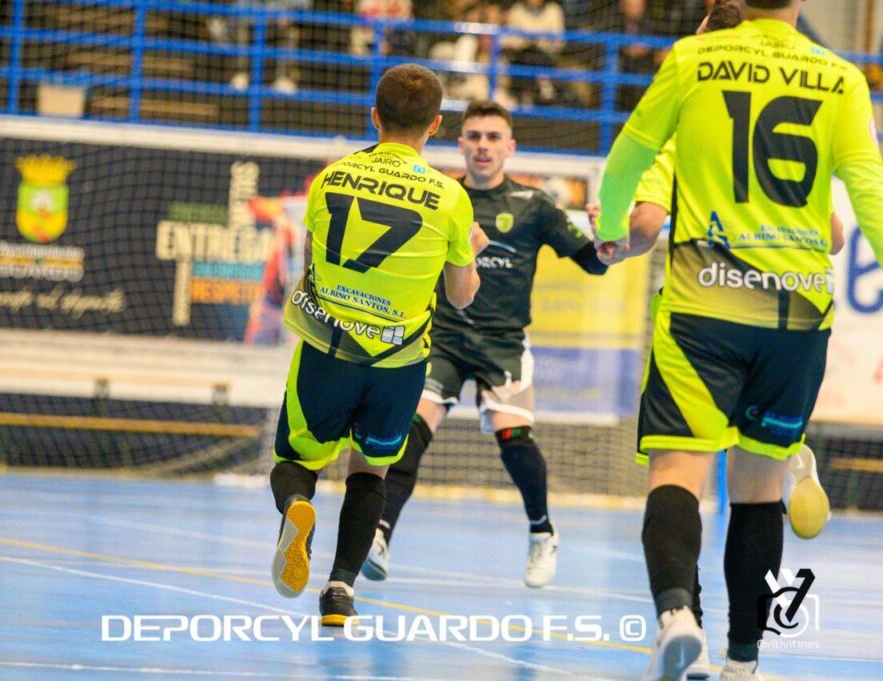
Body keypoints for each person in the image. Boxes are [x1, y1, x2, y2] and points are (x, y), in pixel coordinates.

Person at [593, 0, 883, 679]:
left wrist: (610, 226)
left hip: (702, 309)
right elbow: (867, 195)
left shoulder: (693, 59)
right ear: (801, 4)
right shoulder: (840, 76)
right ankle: (743, 660)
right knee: (758, 493)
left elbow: (630, 153)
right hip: (796, 321)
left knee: (676, 478)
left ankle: (675, 616)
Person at [269, 63, 489, 627]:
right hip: (398, 363)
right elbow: (462, 298)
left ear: (374, 116)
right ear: (436, 125)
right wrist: (469, 252)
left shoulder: (331, 178)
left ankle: (298, 508)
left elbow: (316, 259)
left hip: (327, 349)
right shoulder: (449, 198)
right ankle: (340, 590)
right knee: (371, 472)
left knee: (296, 460)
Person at [361, 99, 607, 589]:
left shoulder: (534, 206)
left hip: (502, 344)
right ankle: (380, 534)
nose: (483, 146)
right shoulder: (441, 197)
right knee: (408, 434)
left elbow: (595, 264)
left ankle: (542, 533)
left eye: (493, 138)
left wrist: (605, 237)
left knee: (514, 440)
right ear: (459, 143)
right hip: (444, 337)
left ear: (510, 147)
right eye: (474, 136)